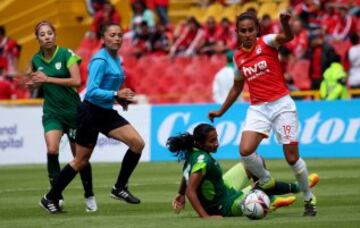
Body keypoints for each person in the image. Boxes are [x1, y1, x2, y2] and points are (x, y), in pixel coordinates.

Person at [208, 12, 317, 216]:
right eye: (243, 31)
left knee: (292, 158)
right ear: (237, 32)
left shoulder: (267, 42)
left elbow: (288, 37)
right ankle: (267, 180)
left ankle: (309, 198)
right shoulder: (238, 57)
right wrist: (221, 111)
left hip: (282, 104)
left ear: (257, 29)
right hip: (258, 108)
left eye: (251, 30)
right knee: (245, 151)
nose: (247, 34)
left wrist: (285, 24)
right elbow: (236, 88)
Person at [39, 22, 145, 213]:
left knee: (137, 143)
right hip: (90, 113)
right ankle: (50, 197)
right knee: (80, 161)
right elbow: (92, 91)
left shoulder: (117, 59)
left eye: (120, 35)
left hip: (105, 112)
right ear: (103, 39)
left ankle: (119, 187)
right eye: (112, 35)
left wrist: (119, 100)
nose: (117, 38)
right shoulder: (100, 60)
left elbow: (107, 90)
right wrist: (115, 95)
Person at [168, 123, 319, 218]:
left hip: (223, 189)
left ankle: (261, 189)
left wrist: (180, 193)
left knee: (251, 164)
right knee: (258, 199)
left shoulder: (193, 152)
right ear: (200, 143)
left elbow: (186, 174)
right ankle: (289, 191)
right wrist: (205, 216)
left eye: (216, 138)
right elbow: (191, 191)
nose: (217, 143)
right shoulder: (203, 160)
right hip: (223, 206)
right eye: (212, 141)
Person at [26, 21, 97, 212]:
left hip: (74, 113)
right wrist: (32, 84)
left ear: (55, 35)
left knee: (79, 157)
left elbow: (77, 81)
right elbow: (34, 82)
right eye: (42, 34)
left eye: (50, 33)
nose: (47, 37)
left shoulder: (67, 54)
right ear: (38, 38)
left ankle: (89, 194)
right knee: (52, 149)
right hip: (52, 113)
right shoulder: (35, 60)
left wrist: (47, 79)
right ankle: (55, 196)